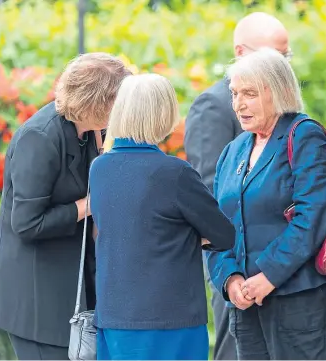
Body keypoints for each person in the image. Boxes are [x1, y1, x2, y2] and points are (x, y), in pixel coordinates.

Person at [206, 47, 326, 360]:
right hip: (246, 304)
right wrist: (230, 280)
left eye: (250, 93)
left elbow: (313, 217)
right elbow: (217, 227)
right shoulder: (233, 150)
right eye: (234, 93)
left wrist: (268, 276)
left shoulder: (304, 135)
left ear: (281, 91)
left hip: (303, 299)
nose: (239, 104)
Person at [0, 53, 131, 360]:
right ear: (98, 103)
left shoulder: (93, 130)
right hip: (38, 300)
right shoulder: (39, 138)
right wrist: (88, 206)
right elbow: (27, 223)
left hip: (71, 288)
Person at [89, 73, 235, 360]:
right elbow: (224, 235)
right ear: (164, 114)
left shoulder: (99, 168)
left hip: (113, 315)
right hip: (170, 318)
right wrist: (191, 237)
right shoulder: (175, 173)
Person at [184, 12, 292, 360]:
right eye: (272, 57)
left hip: (284, 265)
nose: (282, 67)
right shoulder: (214, 106)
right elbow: (208, 194)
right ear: (240, 53)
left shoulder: (286, 110)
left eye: (285, 57)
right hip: (238, 264)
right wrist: (234, 273)